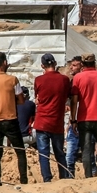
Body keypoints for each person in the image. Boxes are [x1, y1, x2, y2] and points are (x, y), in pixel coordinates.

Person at [0, 51, 27, 186]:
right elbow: (21, 100)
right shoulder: (12, 79)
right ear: (5, 63)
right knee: (20, 151)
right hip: (10, 119)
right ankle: (23, 180)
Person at [33, 53, 71, 182]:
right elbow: (67, 96)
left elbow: (38, 98)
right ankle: (64, 176)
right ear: (55, 64)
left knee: (43, 153)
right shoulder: (65, 80)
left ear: (42, 66)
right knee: (59, 152)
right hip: (57, 122)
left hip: (42, 121)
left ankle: (47, 179)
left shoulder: (38, 80)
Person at [64, 56, 84, 177]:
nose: (71, 67)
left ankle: (69, 175)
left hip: (78, 119)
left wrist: (73, 119)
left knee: (71, 151)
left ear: (82, 66)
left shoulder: (79, 80)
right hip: (75, 118)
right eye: (71, 65)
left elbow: (75, 101)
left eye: (75, 65)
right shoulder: (73, 81)